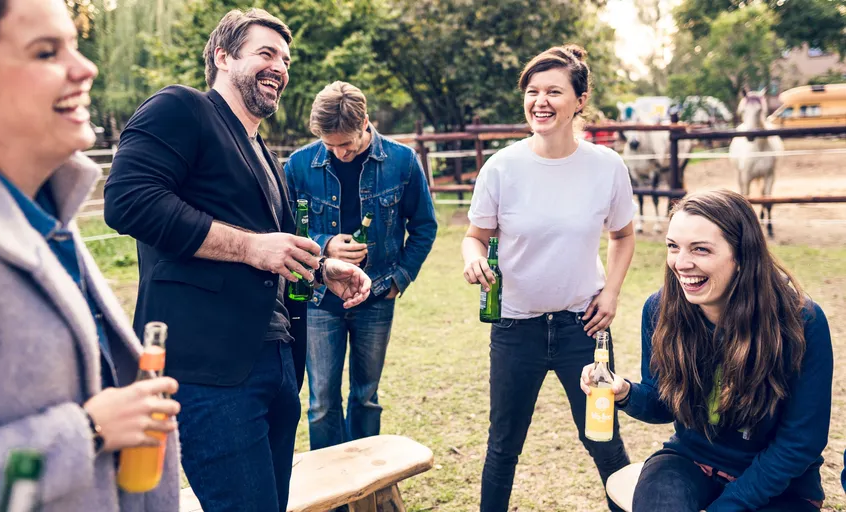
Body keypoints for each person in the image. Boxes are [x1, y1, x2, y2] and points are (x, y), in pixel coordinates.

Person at [103, 9, 372, 512]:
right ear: (223, 57)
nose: (280, 68)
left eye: (286, 60)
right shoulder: (180, 108)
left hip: (276, 362)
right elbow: (129, 200)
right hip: (211, 371)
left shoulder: (265, 153)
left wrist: (320, 270)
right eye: (266, 53)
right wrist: (251, 247)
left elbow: (274, 247)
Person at [0, 0, 182, 510]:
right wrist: (87, 433)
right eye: (46, 52)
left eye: (75, 43)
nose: (86, 67)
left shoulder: (41, 201)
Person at [462, 44, 635, 512]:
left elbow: (622, 235)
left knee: (603, 440)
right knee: (504, 447)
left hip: (585, 327)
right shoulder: (501, 166)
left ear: (579, 100)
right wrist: (473, 258)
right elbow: (475, 237)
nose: (540, 101)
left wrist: (612, 294)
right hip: (516, 329)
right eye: (532, 91)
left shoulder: (607, 167)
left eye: (554, 91)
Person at [582, 190, 832, 512]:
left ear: (741, 255)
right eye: (673, 247)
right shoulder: (660, 309)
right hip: (689, 461)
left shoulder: (801, 321)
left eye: (700, 249)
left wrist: (728, 505)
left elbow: (801, 443)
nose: (681, 264)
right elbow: (664, 402)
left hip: (779, 483)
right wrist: (625, 393)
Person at [284, 81, 437, 450]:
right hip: (319, 299)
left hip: (378, 297)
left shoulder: (402, 161)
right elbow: (284, 227)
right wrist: (325, 245)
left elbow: (424, 226)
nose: (339, 152)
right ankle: (332, 499)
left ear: (365, 122)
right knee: (321, 404)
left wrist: (399, 279)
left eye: (346, 143)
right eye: (329, 144)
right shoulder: (298, 164)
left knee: (366, 398)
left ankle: (364, 490)